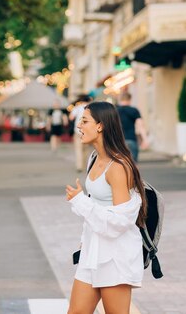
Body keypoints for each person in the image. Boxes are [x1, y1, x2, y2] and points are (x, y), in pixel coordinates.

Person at [65, 101, 148, 314]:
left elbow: (120, 222)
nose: (79, 126)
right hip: (92, 253)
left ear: (100, 126)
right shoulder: (94, 159)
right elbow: (98, 205)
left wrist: (80, 201)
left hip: (115, 256)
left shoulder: (118, 167)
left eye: (84, 121)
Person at [116, 92, 148, 162]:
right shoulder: (134, 110)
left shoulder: (115, 110)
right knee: (133, 166)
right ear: (130, 99)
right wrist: (145, 140)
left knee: (119, 166)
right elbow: (141, 125)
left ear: (120, 99)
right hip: (131, 140)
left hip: (118, 142)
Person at [69, 95, 91, 172]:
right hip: (88, 131)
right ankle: (85, 166)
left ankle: (79, 166)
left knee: (78, 149)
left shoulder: (77, 107)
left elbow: (71, 117)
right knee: (86, 149)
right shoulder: (90, 108)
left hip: (78, 130)